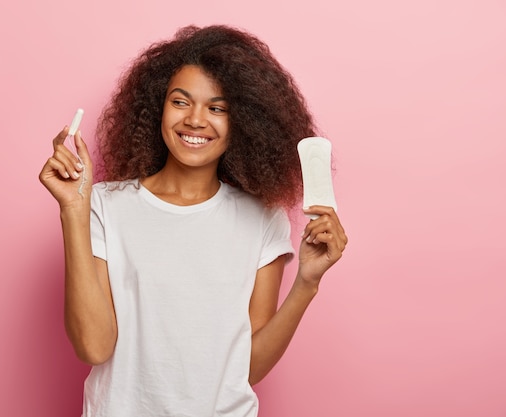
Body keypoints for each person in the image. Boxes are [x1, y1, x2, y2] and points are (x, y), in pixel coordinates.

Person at [39, 24, 347, 417]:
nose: (196, 120)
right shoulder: (103, 205)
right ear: (157, 107)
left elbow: (245, 369)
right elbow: (93, 347)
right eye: (180, 102)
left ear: (245, 122)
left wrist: (307, 282)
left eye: (217, 108)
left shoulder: (263, 218)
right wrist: (72, 208)